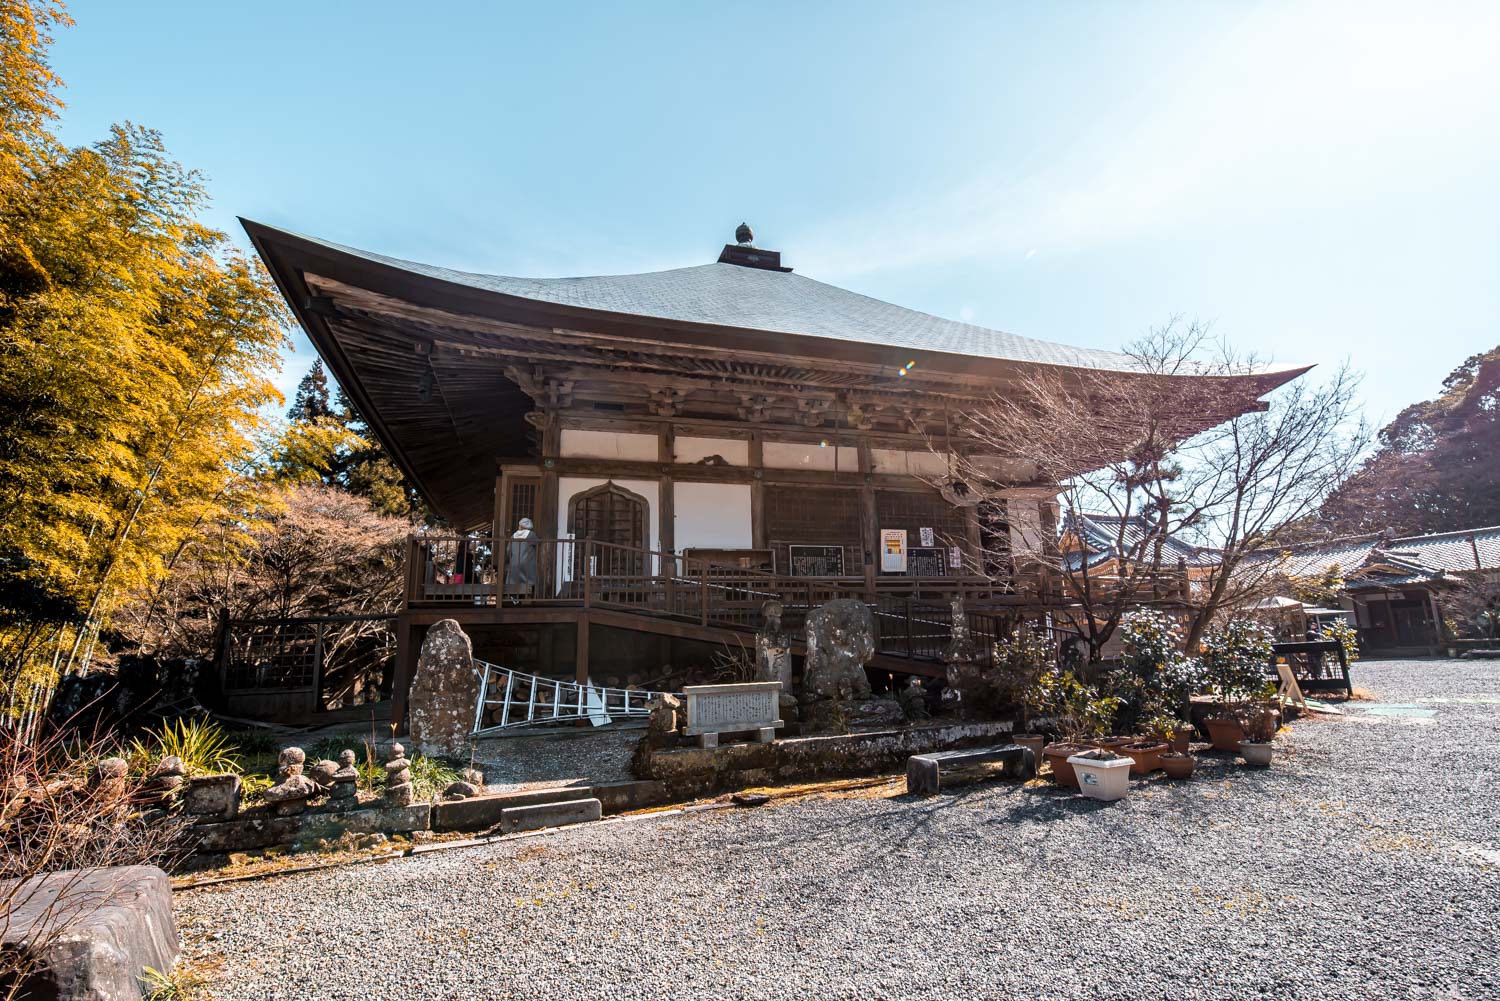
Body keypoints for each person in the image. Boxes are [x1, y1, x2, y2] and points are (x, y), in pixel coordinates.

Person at [504, 517, 539, 596]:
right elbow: (538, 544)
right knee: (529, 581)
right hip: (527, 562)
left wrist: (511, 559)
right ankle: (529, 597)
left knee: (514, 581)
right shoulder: (531, 534)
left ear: (520, 526)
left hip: (514, 563)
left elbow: (508, 550)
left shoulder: (513, 536)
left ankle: (515, 598)